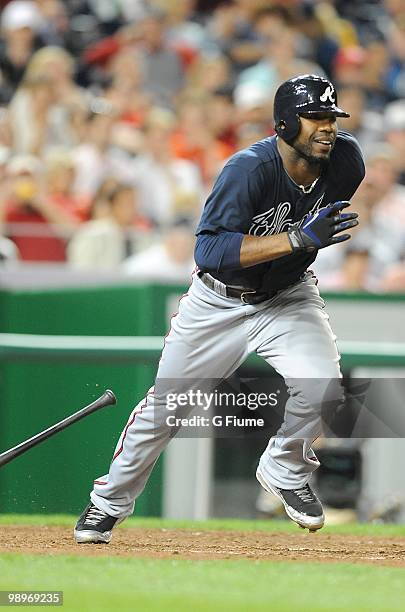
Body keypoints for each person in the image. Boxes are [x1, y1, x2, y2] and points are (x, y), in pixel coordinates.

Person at [74, 74, 364, 543]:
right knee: (167, 409)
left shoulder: (347, 162)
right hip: (218, 301)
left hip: (287, 295)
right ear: (286, 122)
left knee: (324, 387)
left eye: (331, 117)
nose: (326, 127)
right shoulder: (247, 169)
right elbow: (209, 252)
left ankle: (285, 468)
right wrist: (295, 239)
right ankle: (107, 503)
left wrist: (297, 246)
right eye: (315, 117)